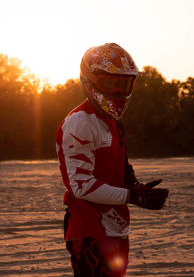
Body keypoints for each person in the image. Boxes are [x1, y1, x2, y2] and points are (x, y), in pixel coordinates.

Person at [56, 43, 169, 276]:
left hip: (115, 228)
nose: (118, 91)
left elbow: (121, 165)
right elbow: (81, 185)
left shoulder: (112, 122)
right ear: (90, 80)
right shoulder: (80, 122)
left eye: (124, 84)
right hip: (89, 228)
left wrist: (137, 186)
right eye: (110, 83)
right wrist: (132, 196)